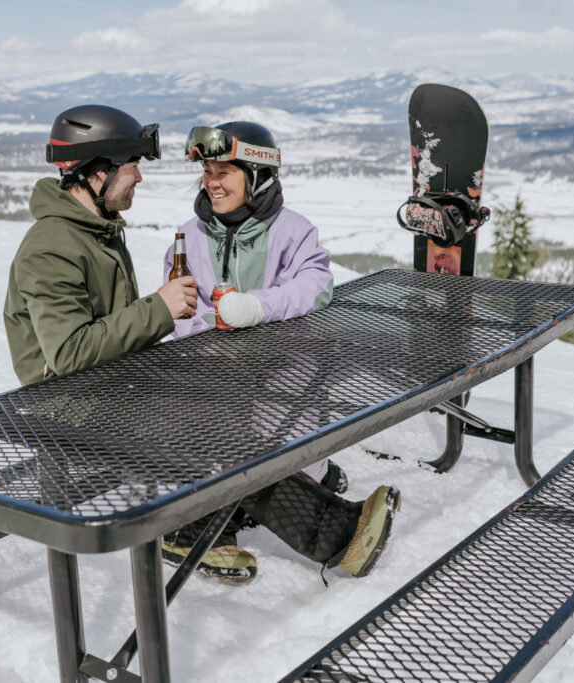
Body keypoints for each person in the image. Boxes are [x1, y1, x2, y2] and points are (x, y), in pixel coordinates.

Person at [159, 120, 401, 582]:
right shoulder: (187, 237)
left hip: (281, 377)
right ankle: (334, 534)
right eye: (207, 171)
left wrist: (258, 306)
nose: (212, 181)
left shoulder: (292, 231)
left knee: (261, 449)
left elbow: (316, 285)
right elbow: (181, 314)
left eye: (224, 171)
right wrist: (211, 330)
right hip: (216, 383)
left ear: (258, 174)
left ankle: (210, 522)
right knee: (230, 445)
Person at [3, 103, 197, 386]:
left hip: (108, 389)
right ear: (101, 172)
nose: (139, 178)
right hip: (69, 411)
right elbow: (70, 353)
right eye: (133, 167)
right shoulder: (50, 249)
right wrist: (160, 309)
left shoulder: (97, 231)